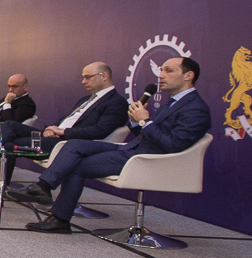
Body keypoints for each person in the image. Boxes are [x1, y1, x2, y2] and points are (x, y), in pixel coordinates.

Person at [13, 57, 211, 233]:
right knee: (74, 145)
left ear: (188, 76)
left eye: (168, 70)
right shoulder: (174, 102)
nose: (161, 75)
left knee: (76, 166)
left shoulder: (196, 108)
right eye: (161, 70)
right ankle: (43, 187)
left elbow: (174, 145)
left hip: (148, 159)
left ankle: (59, 218)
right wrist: (136, 122)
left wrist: (145, 121)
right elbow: (145, 133)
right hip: (134, 149)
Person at [0, 62, 128, 207]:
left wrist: (63, 131)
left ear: (104, 76)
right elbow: (67, 118)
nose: (83, 81)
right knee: (9, 129)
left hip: (68, 143)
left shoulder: (116, 102)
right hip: (53, 135)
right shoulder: (86, 99)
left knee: (7, 142)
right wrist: (52, 127)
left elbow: (100, 131)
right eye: (82, 77)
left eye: (88, 77)